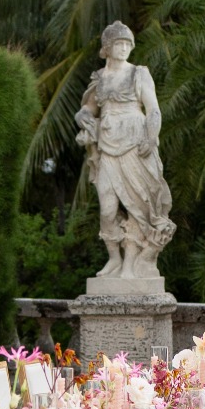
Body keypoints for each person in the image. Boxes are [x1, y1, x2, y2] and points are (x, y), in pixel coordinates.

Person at [75, 21, 175, 280]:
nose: (123, 48)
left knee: (136, 206)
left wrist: (151, 137)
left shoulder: (138, 73)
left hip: (135, 141)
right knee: (107, 208)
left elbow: (153, 109)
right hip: (107, 144)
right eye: (118, 44)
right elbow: (89, 108)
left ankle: (131, 265)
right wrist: (83, 116)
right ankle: (114, 259)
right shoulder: (100, 79)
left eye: (127, 44)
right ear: (107, 48)